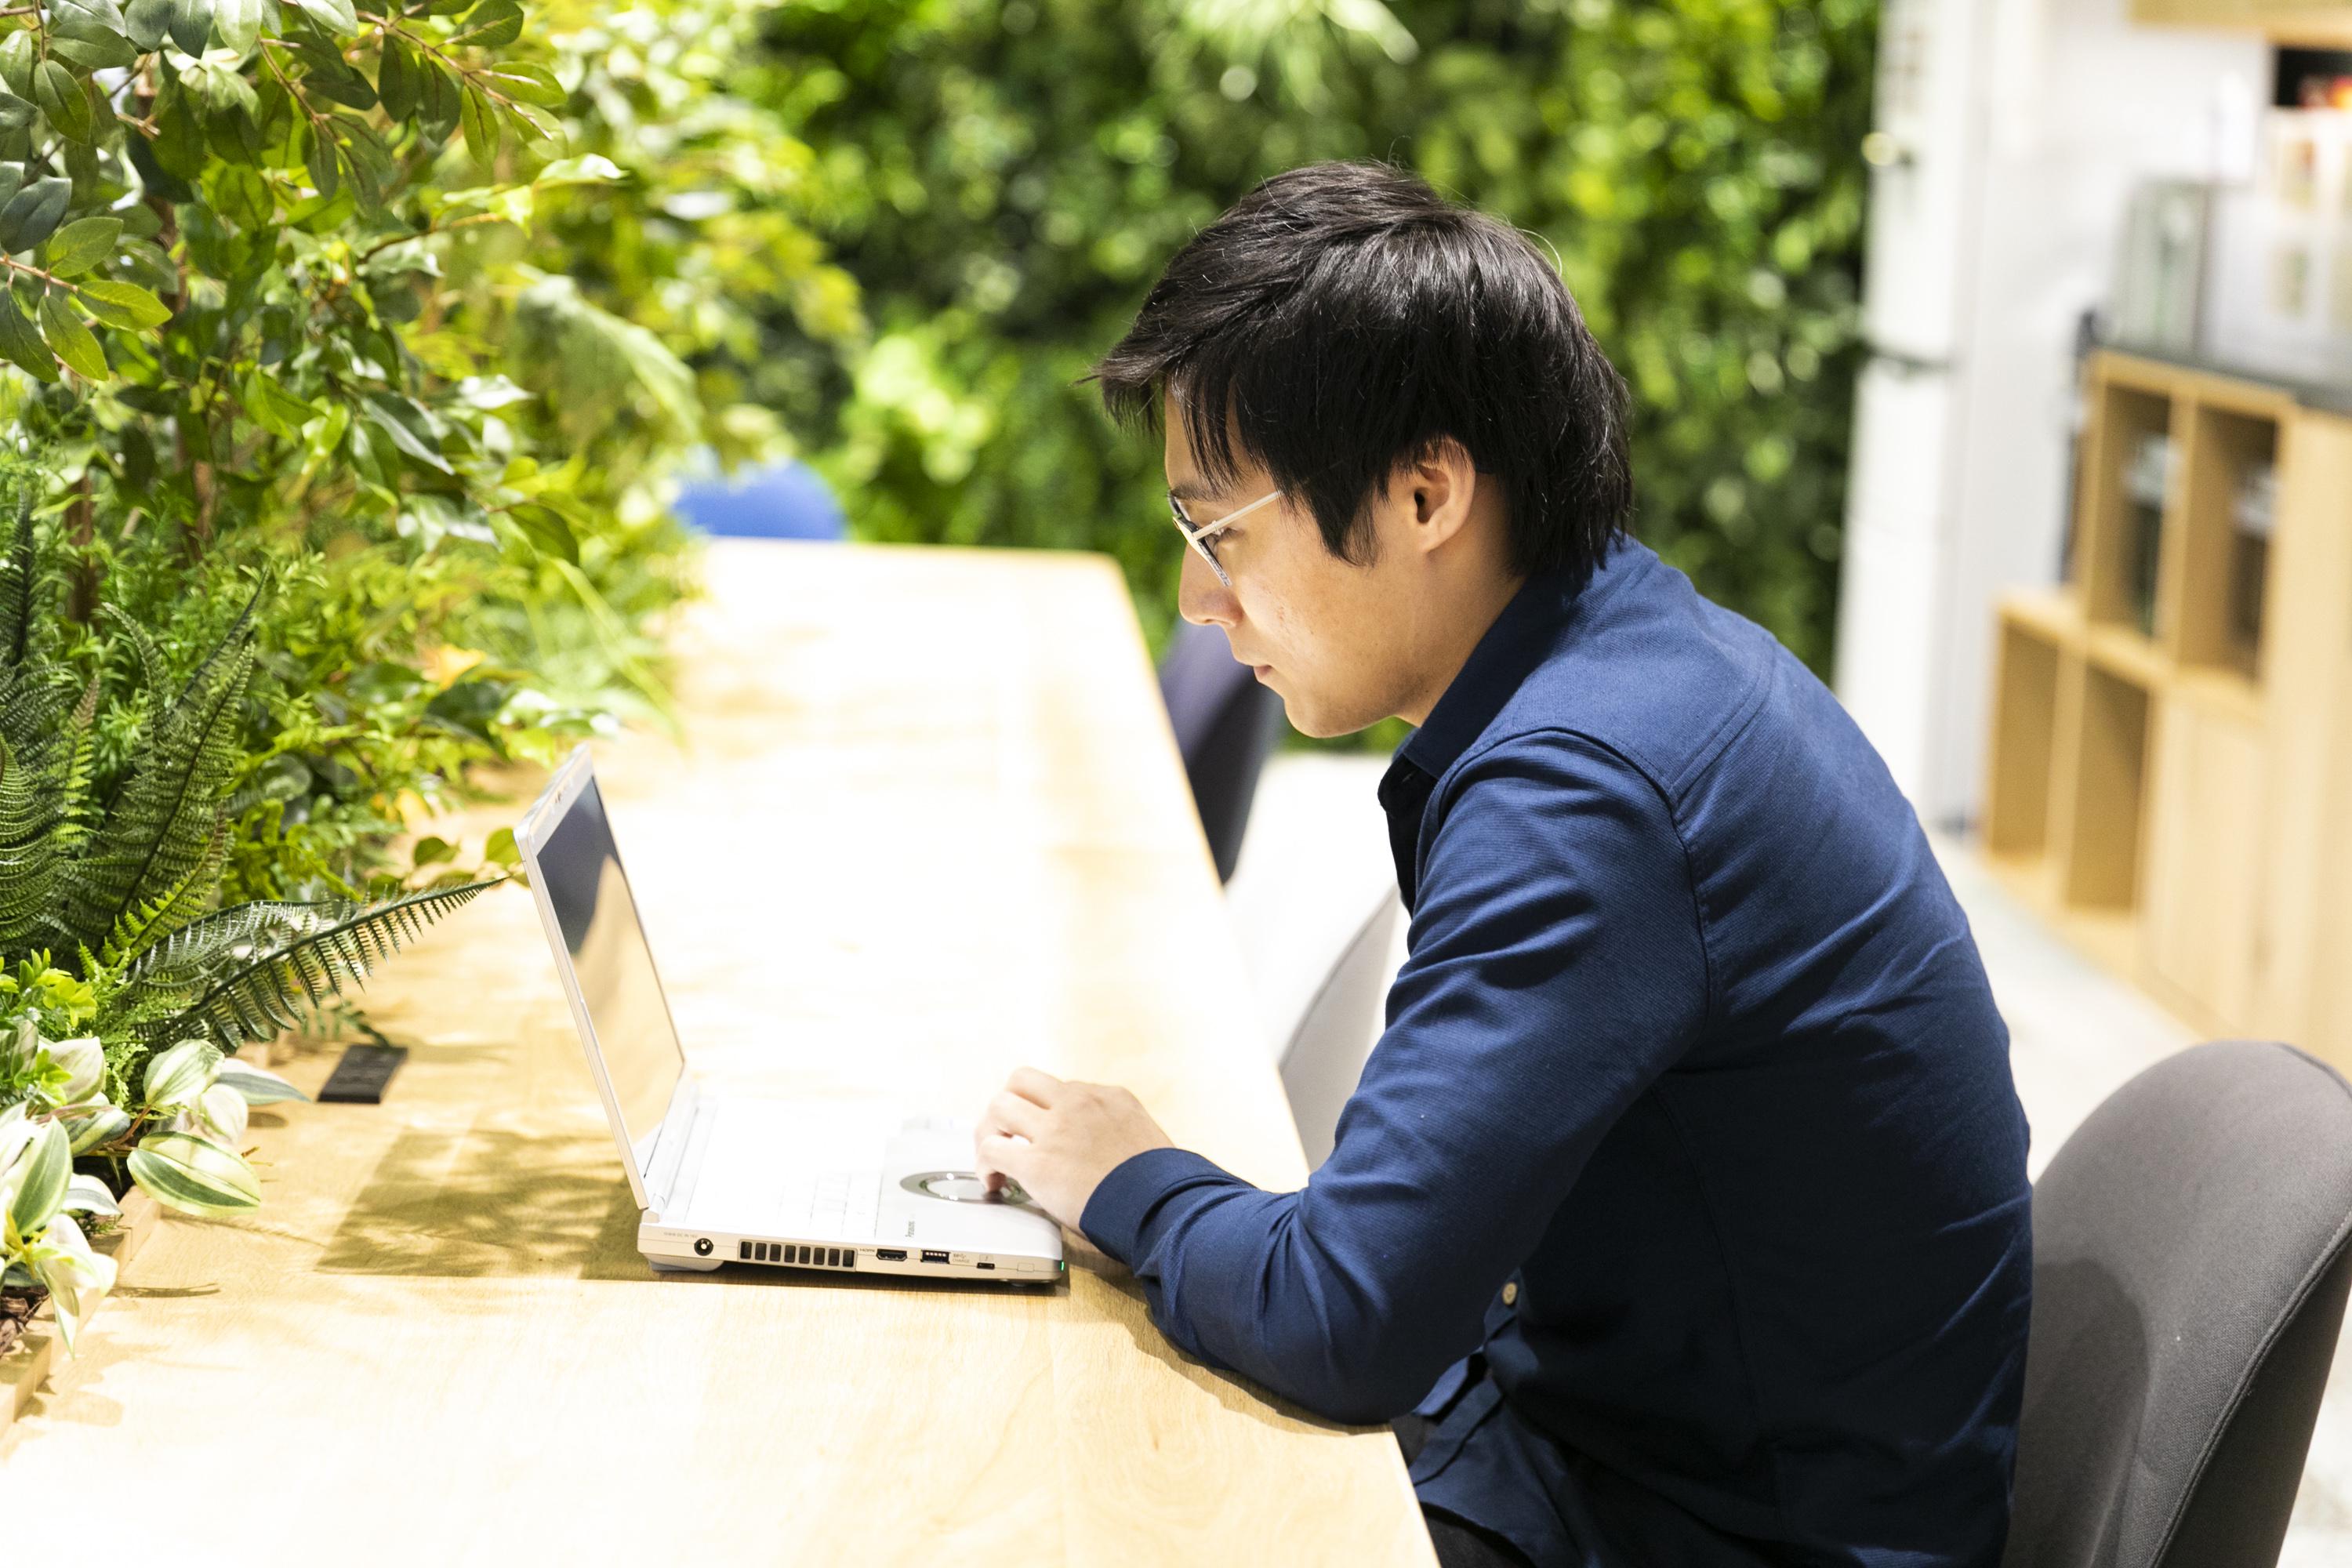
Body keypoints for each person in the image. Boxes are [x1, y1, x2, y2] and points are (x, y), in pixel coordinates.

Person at [971, 161, 2032, 1568]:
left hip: (1710, 1531)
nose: (1200, 597)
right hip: (1636, 1440)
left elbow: (1345, 1318)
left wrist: (1127, 1176)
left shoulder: (1583, 796)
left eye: (1220, 531)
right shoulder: (1633, 650)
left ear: (1426, 494)